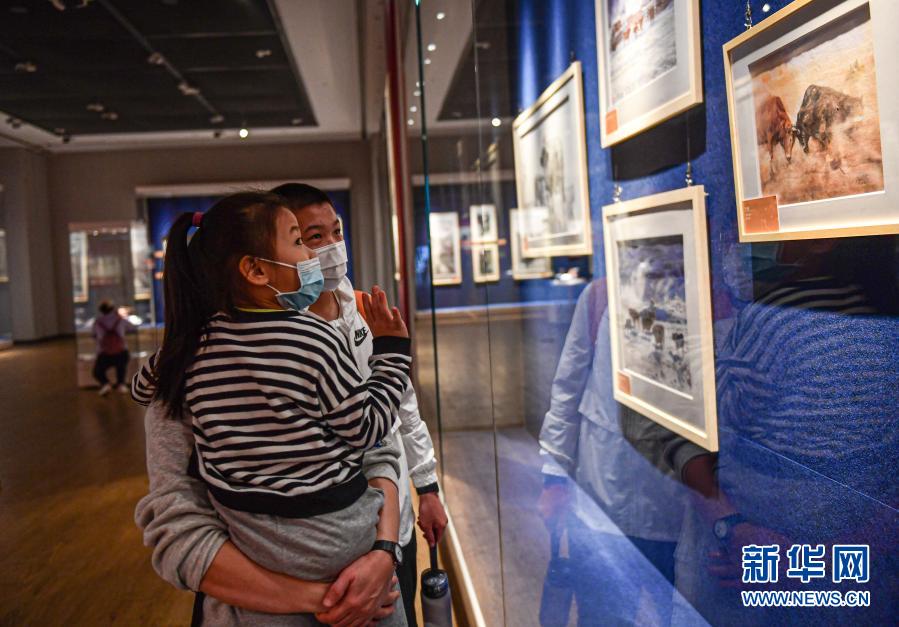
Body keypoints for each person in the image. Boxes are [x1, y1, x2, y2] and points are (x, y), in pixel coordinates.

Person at [132, 191, 412, 626]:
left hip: (255, 542)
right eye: (301, 241)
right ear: (257, 269)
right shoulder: (315, 340)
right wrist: (391, 355)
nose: (316, 255)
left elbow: (143, 387)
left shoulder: (190, 351)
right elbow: (368, 430)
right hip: (340, 545)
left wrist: (172, 359)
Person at [271, 182, 448, 627]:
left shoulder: (362, 304)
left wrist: (427, 486)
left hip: (395, 523)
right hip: (330, 542)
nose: (333, 246)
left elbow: (402, 403)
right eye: (313, 237)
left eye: (337, 231)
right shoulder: (277, 333)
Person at [92, 300, 131, 396]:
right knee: (121, 367)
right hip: (121, 351)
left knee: (97, 371)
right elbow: (131, 327)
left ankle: (105, 384)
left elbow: (94, 335)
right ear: (113, 308)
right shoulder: (120, 320)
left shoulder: (98, 322)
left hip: (104, 352)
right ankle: (121, 384)